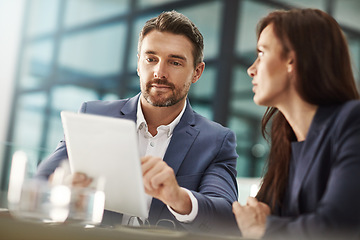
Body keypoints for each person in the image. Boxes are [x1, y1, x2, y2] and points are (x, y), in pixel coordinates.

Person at [35, 10, 240, 234]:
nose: (159, 72)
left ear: (197, 72)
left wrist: (179, 198)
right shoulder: (93, 115)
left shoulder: (216, 140)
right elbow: (41, 183)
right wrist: (62, 189)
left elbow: (226, 217)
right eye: (151, 59)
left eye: (175, 62)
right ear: (138, 64)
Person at [232, 8, 360, 240]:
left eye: (261, 53)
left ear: (292, 59)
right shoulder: (286, 138)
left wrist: (264, 229)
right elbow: (250, 219)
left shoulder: (353, 121)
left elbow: (340, 226)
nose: (251, 70)